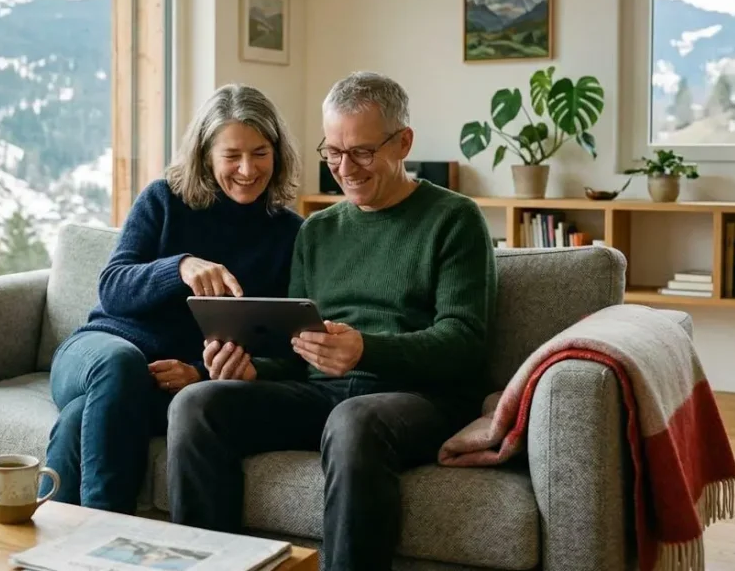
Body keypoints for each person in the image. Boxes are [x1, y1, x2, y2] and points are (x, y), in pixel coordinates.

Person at [167, 71, 497, 570]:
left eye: (362, 152)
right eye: (334, 153)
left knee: (354, 418)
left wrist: (367, 349)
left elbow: (464, 341)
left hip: (419, 398)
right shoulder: (318, 229)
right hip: (323, 394)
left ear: (403, 141)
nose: (346, 169)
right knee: (198, 403)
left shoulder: (455, 219)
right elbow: (294, 353)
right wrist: (254, 369)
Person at [44, 83, 305, 514]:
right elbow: (112, 286)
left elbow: (279, 337)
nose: (247, 169)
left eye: (260, 153)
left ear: (277, 153)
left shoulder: (288, 234)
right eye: (231, 155)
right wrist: (179, 266)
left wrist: (201, 372)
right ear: (205, 155)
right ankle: (106, 532)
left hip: (160, 385)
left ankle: (51, 545)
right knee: (118, 364)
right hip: (95, 353)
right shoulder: (164, 199)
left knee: (78, 421)